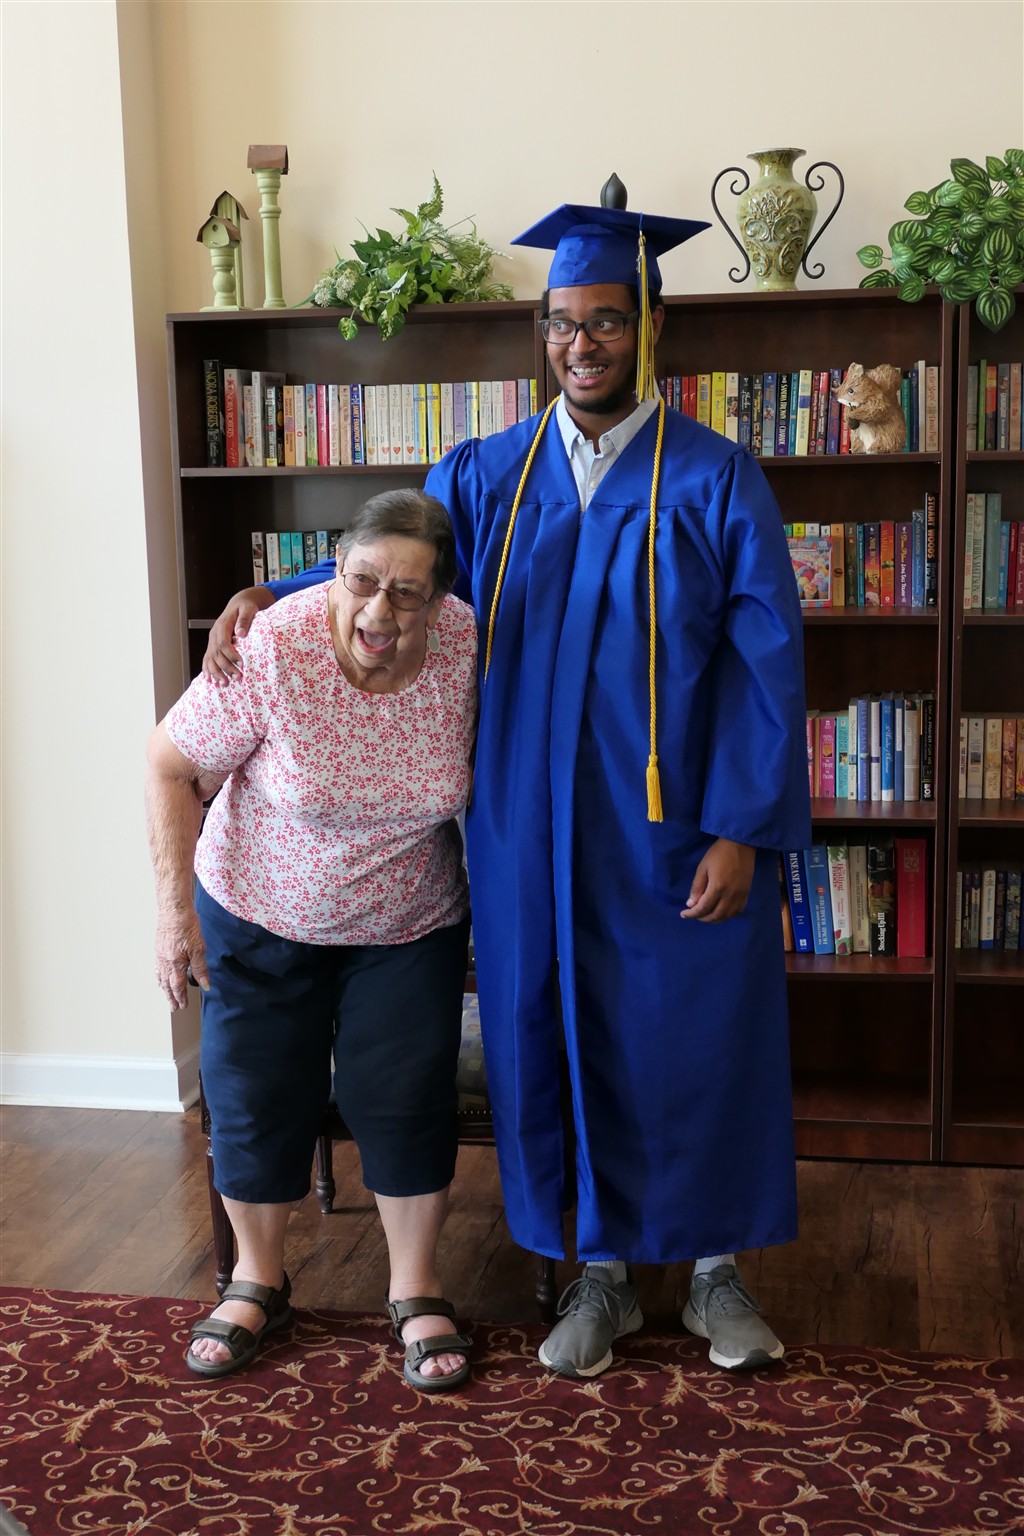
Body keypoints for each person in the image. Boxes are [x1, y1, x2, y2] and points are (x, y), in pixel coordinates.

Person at [202, 192, 812, 1381]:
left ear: (648, 327)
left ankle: (713, 1272)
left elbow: (767, 667)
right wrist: (276, 592)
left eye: (605, 320)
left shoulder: (716, 478)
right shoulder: (489, 473)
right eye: (561, 322)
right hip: (527, 827)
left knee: (697, 1035)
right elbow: (390, 565)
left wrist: (741, 828)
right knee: (560, 1032)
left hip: (677, 824)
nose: (581, 343)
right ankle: (597, 1273)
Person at [147, 489, 478, 1390]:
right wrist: (174, 915)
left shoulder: (467, 647)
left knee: (402, 1094)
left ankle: (415, 1287)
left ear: (440, 599)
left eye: (407, 593)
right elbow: (169, 765)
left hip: (406, 921)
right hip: (259, 908)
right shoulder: (274, 647)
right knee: (254, 1093)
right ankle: (257, 1282)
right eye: (362, 581)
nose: (379, 611)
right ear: (334, 571)